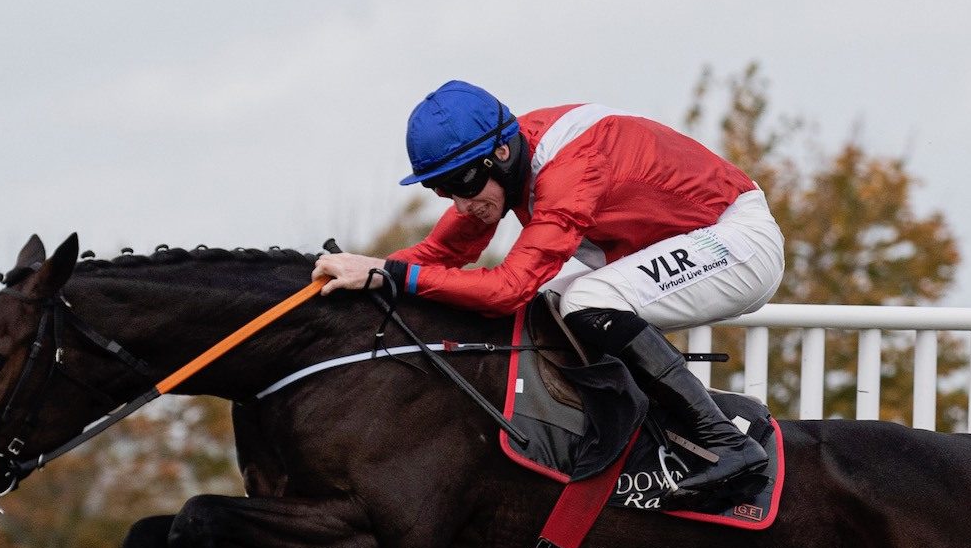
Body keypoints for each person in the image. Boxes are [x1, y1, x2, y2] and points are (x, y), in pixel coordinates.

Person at [313, 80, 784, 506]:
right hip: (692, 242)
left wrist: (389, 275)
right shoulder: (502, 158)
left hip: (739, 241)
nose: (458, 202)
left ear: (500, 154)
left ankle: (726, 443)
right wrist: (366, 273)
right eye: (441, 189)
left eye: (462, 183)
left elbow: (507, 288)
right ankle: (628, 440)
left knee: (584, 301)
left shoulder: (570, 170)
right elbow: (438, 254)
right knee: (548, 307)